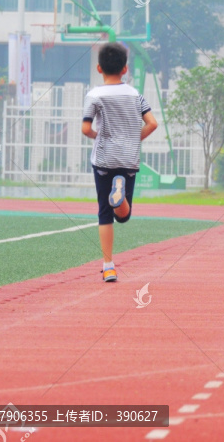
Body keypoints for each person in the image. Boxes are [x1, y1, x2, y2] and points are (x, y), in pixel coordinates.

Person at [81, 43, 158, 282]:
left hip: (104, 158)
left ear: (99, 68)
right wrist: (134, 139)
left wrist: (99, 137)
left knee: (104, 213)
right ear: (125, 69)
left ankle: (109, 266)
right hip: (128, 158)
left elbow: (85, 128)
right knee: (123, 216)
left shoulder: (95, 95)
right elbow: (152, 123)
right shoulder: (135, 95)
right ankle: (120, 195)